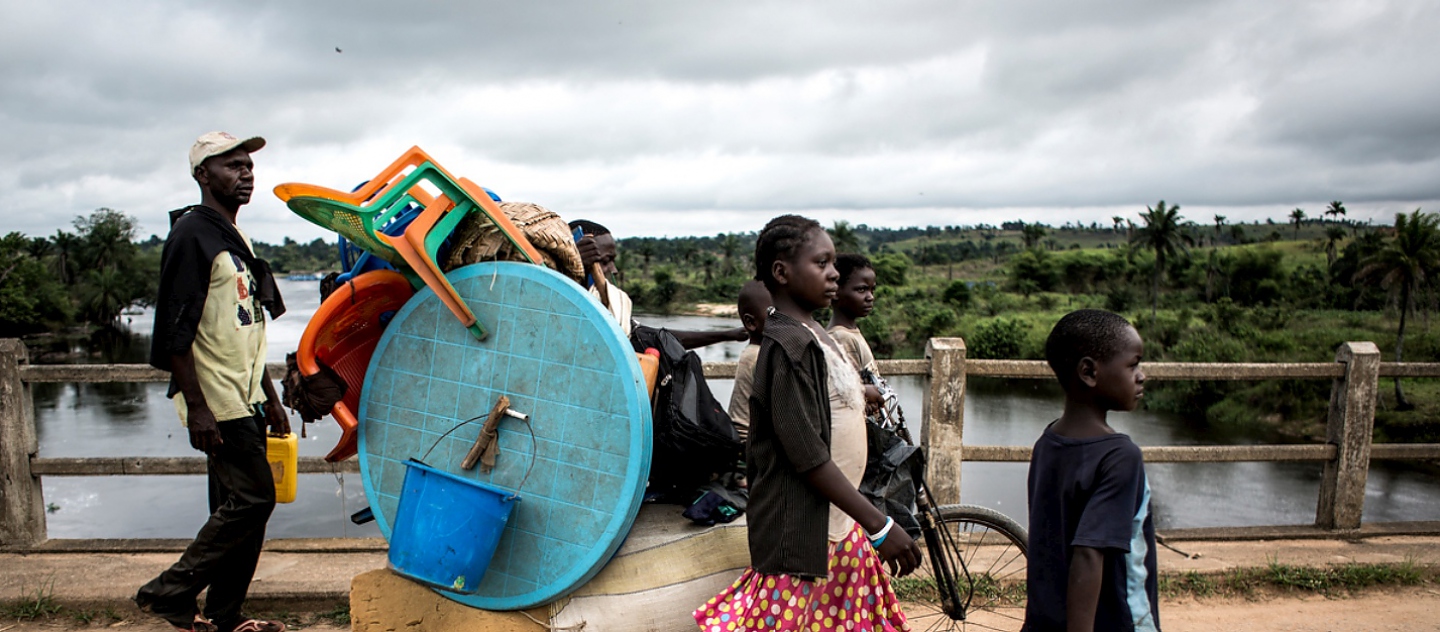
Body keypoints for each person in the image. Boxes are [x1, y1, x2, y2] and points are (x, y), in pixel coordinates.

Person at [694, 215, 920, 631]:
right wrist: (880, 523)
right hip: (802, 533)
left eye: (833, 263)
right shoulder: (788, 347)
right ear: (782, 272)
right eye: (821, 263)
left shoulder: (818, 335)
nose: (834, 272)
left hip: (839, 524)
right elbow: (808, 456)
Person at [138, 132, 290, 632]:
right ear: (203, 175)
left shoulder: (232, 235)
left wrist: (269, 395)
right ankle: (168, 591)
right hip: (217, 399)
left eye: (248, 166)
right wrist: (197, 407)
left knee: (235, 509)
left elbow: (245, 327)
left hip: (244, 395)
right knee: (254, 499)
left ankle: (225, 616)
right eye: (231, 166)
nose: (246, 174)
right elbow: (174, 333)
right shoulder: (191, 236)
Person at [1023, 309, 1158, 632]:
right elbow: (1088, 553)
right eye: (1133, 364)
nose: (1141, 375)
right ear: (1089, 372)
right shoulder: (1120, 456)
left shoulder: (1048, 442)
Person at [570, 219, 747, 347]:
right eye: (605, 261)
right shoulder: (561, 303)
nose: (614, 269)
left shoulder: (614, 312)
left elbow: (658, 339)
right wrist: (574, 264)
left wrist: (728, 334)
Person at [726, 280, 772, 443]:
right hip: (750, 443)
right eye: (774, 313)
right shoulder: (760, 357)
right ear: (751, 323)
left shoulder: (754, 352)